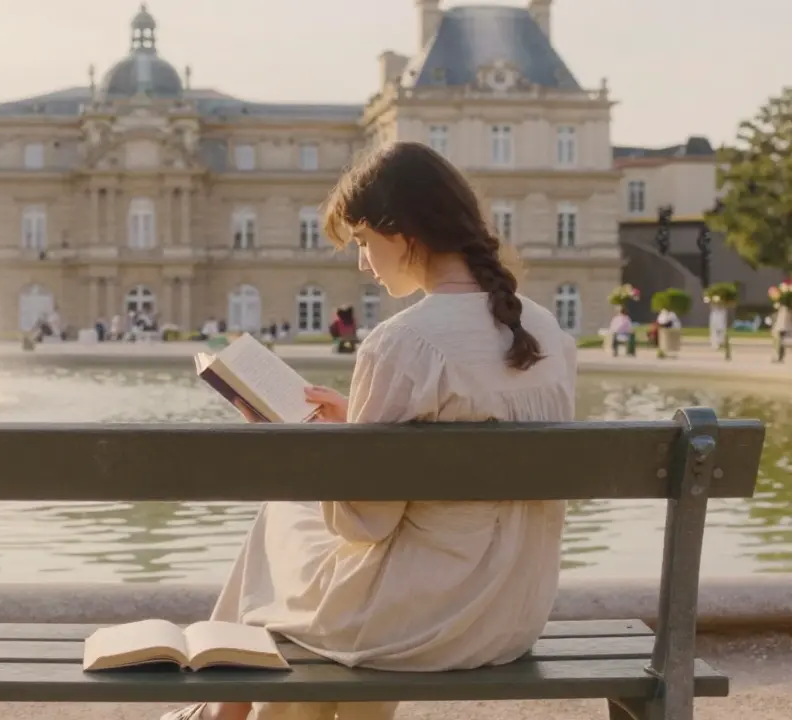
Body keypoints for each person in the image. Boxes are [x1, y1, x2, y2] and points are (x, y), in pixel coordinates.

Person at [160, 142, 576, 720]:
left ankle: (218, 710)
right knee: (306, 622)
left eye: (361, 241)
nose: (361, 262)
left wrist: (308, 448)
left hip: (423, 622)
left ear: (403, 231)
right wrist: (352, 433)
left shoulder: (404, 342)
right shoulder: (546, 327)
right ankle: (226, 711)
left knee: (281, 513)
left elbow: (366, 524)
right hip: (512, 613)